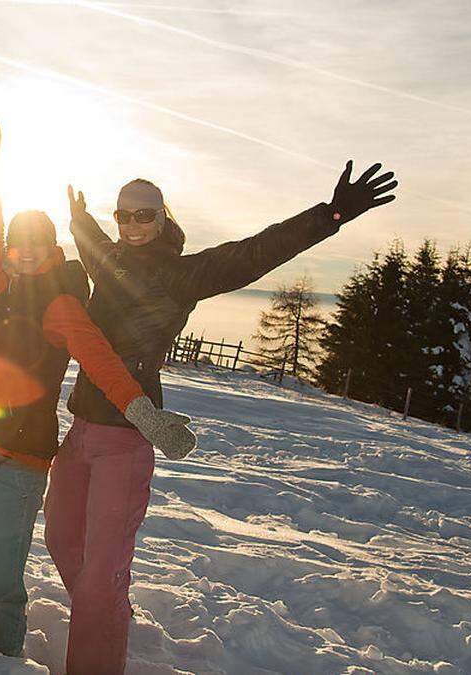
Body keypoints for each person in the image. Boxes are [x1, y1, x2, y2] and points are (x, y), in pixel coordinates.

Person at [50, 163, 398, 673]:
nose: (131, 225)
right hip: (81, 426)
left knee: (101, 574)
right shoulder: (111, 259)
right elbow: (93, 243)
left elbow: (256, 252)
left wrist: (333, 213)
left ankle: (97, 651)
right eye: (122, 215)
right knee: (61, 542)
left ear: (162, 216)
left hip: (128, 434)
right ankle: (106, 613)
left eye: (143, 215)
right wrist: (80, 220)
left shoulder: (184, 273)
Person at [0, 120, 194, 658]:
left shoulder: (60, 304)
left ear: (52, 247)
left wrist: (147, 417)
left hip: (22, 460)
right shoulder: (4, 283)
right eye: (15, 245)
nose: (23, 253)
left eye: (36, 244)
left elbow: (101, 362)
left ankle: (0, 655)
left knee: (3, 580)